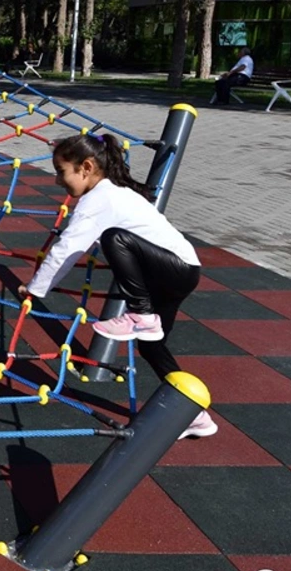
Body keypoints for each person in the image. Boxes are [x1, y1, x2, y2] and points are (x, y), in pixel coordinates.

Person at [17, 133, 214, 439]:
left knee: (114, 238)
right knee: (152, 345)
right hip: (178, 271)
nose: (58, 181)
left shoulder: (100, 199)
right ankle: (196, 416)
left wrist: (35, 289)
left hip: (176, 269)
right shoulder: (111, 192)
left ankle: (143, 315)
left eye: (61, 172)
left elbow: (67, 249)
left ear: (85, 167)